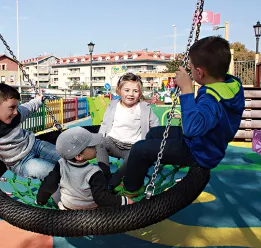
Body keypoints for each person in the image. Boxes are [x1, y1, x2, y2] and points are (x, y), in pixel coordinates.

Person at [117, 36, 245, 196]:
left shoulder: (212, 98)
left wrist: (186, 90)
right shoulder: (231, 84)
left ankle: (131, 190)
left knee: (139, 149)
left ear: (199, 72)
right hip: (209, 140)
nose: (189, 71)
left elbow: (192, 129)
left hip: (200, 150)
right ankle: (141, 168)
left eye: (190, 68)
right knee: (154, 133)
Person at [36, 126, 133, 210]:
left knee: (54, 188)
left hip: (68, 207)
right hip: (90, 209)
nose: (96, 147)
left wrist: (40, 200)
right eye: (91, 146)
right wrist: (123, 200)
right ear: (79, 156)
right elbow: (101, 198)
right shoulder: (94, 172)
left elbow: (48, 184)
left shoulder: (61, 164)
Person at [96, 73, 160, 188]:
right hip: (113, 142)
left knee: (133, 160)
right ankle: (105, 174)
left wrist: (151, 144)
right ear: (119, 91)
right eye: (127, 90)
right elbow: (105, 124)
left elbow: (155, 125)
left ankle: (114, 180)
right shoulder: (113, 105)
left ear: (140, 93)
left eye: (135, 91)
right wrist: (98, 138)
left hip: (132, 147)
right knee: (100, 144)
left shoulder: (144, 108)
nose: (131, 94)